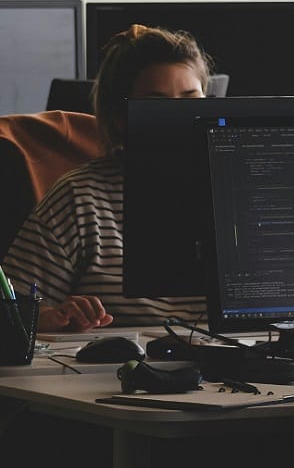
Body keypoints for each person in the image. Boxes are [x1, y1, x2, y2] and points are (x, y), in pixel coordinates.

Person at [1, 24, 210, 330]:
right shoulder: (80, 197)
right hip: (125, 358)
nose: (178, 117)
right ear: (119, 117)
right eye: (156, 104)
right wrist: (49, 316)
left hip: (244, 355)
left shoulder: (240, 188)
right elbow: (10, 313)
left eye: (191, 100)